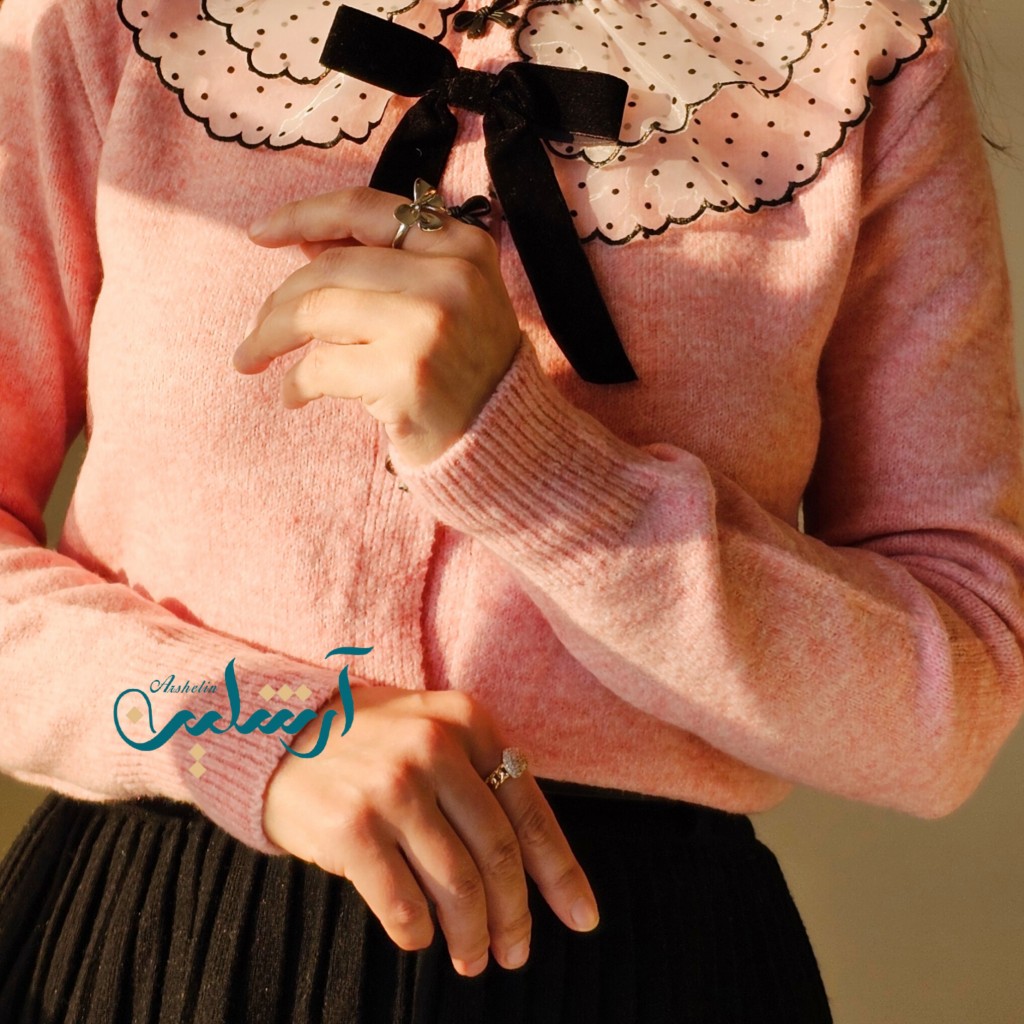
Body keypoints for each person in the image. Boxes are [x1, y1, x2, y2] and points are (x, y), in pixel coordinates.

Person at [0, 0, 1020, 1021]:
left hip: (643, 970)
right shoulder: (112, 20)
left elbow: (953, 698)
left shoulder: (855, 46)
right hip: (163, 942)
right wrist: (244, 724)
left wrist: (527, 468)